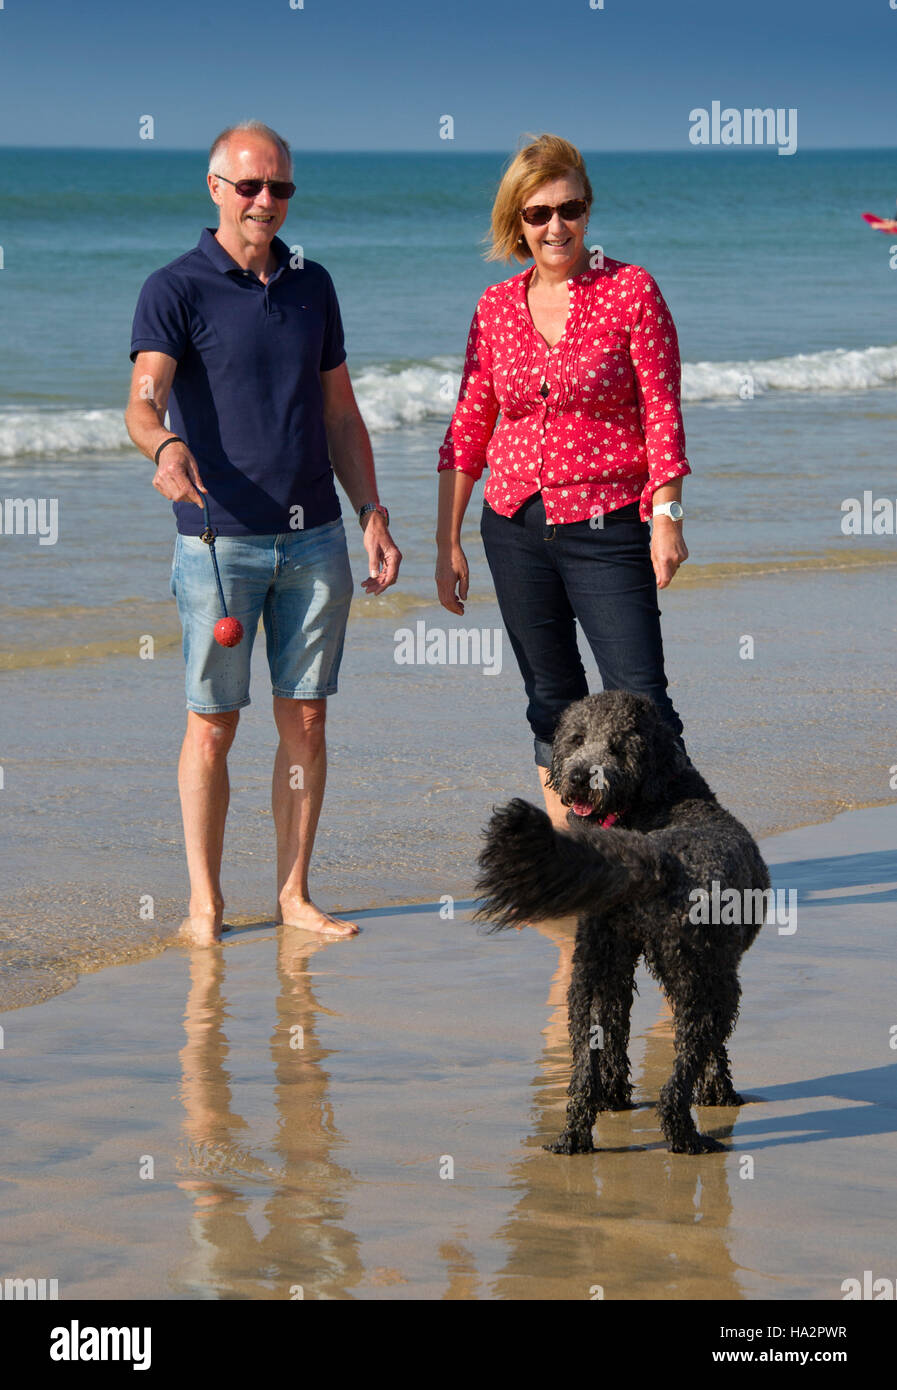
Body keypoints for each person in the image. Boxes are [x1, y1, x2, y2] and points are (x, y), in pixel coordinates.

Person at [125, 121, 400, 944]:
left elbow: (340, 413)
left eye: (279, 187)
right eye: (249, 186)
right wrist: (167, 444)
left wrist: (372, 514)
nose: (265, 201)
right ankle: (204, 905)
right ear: (214, 187)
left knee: (307, 721)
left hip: (315, 537)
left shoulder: (314, 285)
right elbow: (144, 401)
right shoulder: (173, 288)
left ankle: (292, 895)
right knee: (213, 722)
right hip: (217, 541)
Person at [436, 133, 690, 830]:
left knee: (639, 702)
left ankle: (671, 852)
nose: (555, 226)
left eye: (569, 208)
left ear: (587, 209)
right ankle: (574, 860)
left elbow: (661, 409)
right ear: (515, 221)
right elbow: (467, 427)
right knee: (552, 702)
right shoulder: (493, 307)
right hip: (512, 527)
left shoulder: (629, 290)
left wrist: (665, 513)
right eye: (537, 212)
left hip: (608, 524)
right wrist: (445, 542)